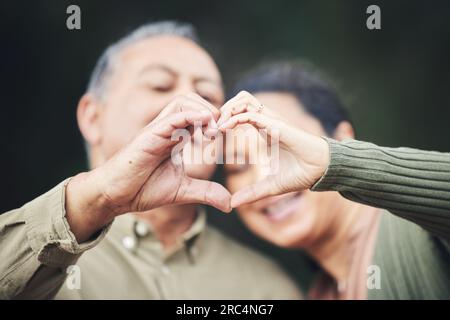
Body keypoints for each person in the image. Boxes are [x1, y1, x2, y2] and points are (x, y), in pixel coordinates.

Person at [0, 23, 302, 299]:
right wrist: (98, 198)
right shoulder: (31, 258)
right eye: (159, 85)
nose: (188, 103)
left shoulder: (266, 289)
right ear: (92, 117)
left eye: (208, 94)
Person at [220, 62, 450, 299]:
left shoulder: (420, 232)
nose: (262, 176)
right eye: (238, 166)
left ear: (342, 138)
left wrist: (333, 161)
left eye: (280, 145)